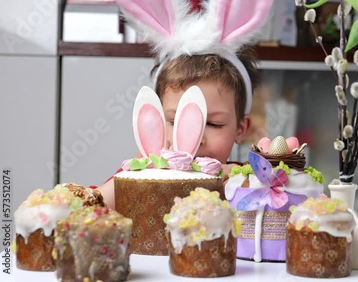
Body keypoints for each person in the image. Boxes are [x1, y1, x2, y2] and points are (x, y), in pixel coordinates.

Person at [98, 46, 260, 208]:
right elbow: (89, 208)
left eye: (213, 124)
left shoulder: (245, 179)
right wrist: (136, 176)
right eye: (175, 122)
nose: (195, 138)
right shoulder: (138, 176)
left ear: (241, 129)